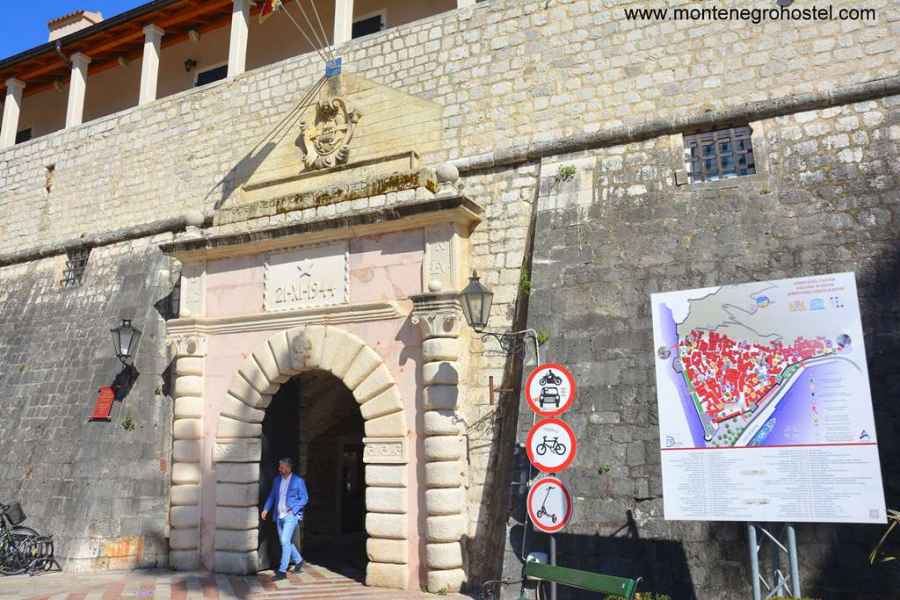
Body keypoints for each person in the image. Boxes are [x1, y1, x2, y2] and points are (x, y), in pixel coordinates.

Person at [261, 457, 309, 581]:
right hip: (278, 516)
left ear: (288, 468)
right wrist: (266, 509)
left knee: (284, 540)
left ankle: (282, 571)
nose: (279, 469)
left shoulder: (298, 481)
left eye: (282, 467)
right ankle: (299, 561)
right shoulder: (277, 480)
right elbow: (272, 496)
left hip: (291, 516)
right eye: (279, 467)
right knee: (286, 542)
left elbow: (304, 498)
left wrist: (294, 509)